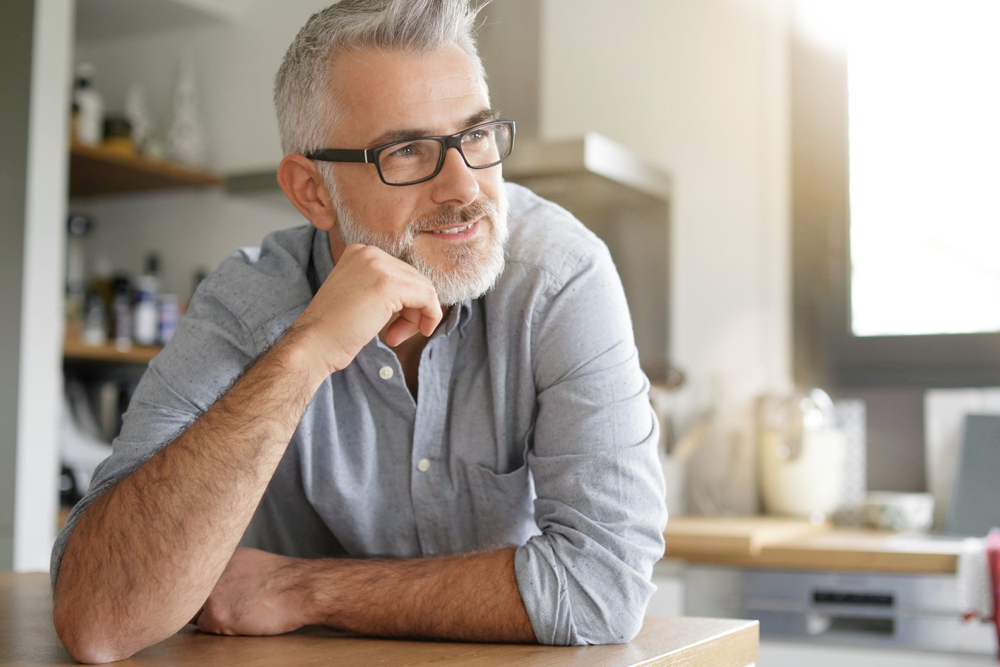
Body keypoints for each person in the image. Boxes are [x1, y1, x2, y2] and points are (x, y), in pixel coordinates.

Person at [51, 0, 667, 662]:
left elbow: (605, 587)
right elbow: (97, 618)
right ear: (312, 192)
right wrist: (302, 354)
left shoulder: (561, 277)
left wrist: (304, 589)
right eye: (406, 151)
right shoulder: (249, 304)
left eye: (477, 135)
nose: (465, 186)